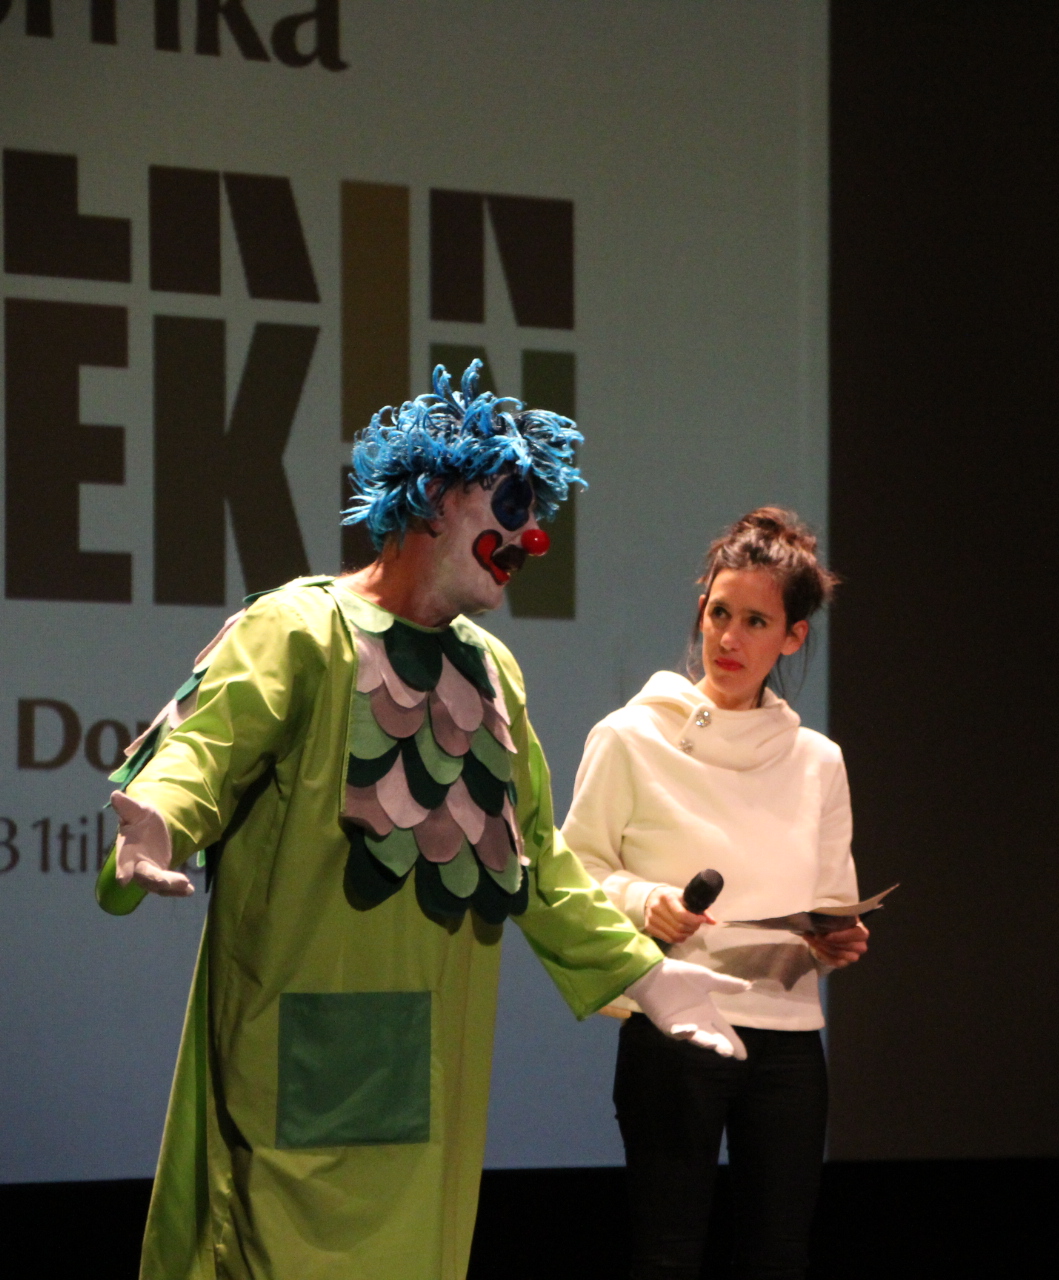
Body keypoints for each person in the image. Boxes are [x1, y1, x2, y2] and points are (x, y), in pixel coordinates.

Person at [96, 362, 747, 1280]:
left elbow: (537, 860)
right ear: (435, 499)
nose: (529, 537)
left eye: (537, 513)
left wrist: (648, 976)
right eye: (512, 503)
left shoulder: (492, 672)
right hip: (294, 1068)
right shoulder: (299, 629)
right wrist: (160, 819)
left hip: (435, 1078)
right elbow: (203, 750)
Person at [563, 507, 867, 1280]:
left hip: (788, 1038)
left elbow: (833, 900)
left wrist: (835, 939)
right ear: (702, 608)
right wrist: (646, 902)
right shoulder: (629, 737)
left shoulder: (817, 761)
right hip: (676, 1028)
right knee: (665, 1256)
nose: (729, 638)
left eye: (755, 622)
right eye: (719, 613)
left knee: (779, 1256)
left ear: (792, 636)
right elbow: (574, 873)